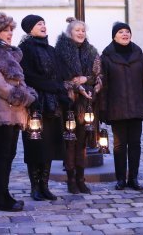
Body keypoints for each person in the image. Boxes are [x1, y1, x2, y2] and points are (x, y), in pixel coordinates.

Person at [0, 12, 38, 211]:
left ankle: (5, 193)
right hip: (3, 110)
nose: (9, 34)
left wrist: (27, 93)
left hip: (16, 111)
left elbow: (20, 81)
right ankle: (0, 197)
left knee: (10, 153)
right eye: (5, 30)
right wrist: (21, 96)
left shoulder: (12, 53)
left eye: (10, 30)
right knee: (3, 154)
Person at [19, 14, 69, 201]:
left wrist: (62, 95)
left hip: (53, 105)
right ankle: (34, 187)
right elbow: (27, 76)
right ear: (29, 28)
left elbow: (59, 75)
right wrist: (50, 86)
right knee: (35, 145)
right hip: (35, 105)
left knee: (48, 145)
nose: (43, 26)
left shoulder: (51, 49)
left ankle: (45, 186)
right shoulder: (24, 49)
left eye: (44, 23)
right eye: (39, 24)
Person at [99, 22, 143, 191]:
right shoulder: (106, 57)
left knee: (135, 144)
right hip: (117, 108)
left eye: (127, 31)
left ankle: (134, 178)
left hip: (137, 106)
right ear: (114, 35)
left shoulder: (139, 55)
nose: (125, 34)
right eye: (121, 32)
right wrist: (103, 109)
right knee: (119, 145)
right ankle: (121, 179)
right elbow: (103, 86)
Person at [55, 17, 102, 194]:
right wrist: (77, 85)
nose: (81, 33)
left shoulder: (91, 51)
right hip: (68, 102)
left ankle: (81, 178)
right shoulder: (60, 51)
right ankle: (71, 179)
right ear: (70, 33)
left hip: (86, 103)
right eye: (77, 30)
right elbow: (62, 76)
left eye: (83, 30)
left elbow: (97, 75)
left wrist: (85, 80)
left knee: (83, 141)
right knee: (70, 141)